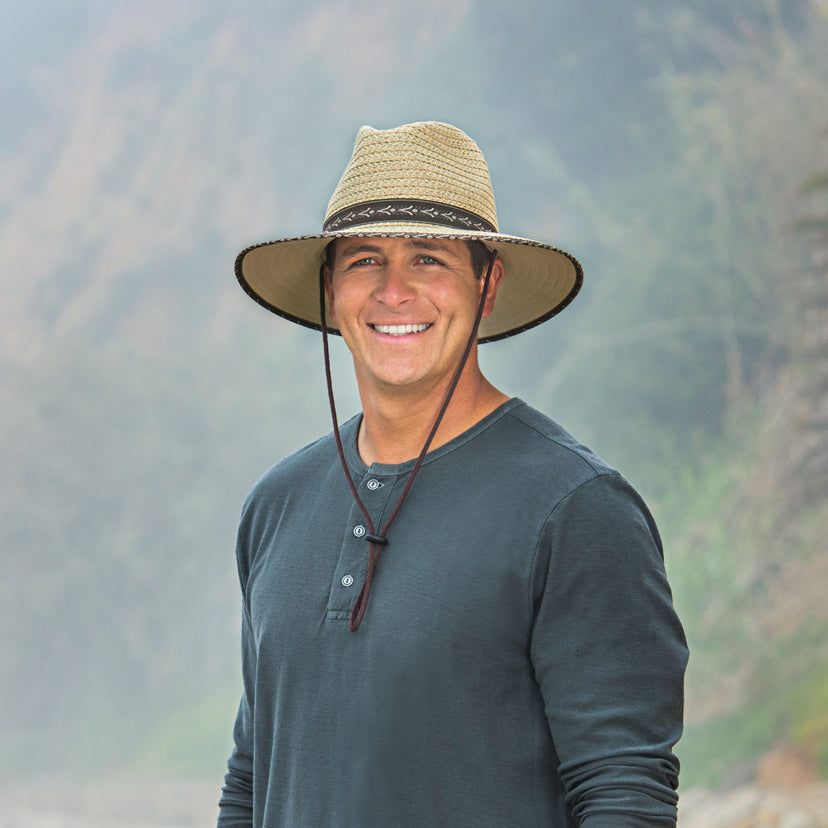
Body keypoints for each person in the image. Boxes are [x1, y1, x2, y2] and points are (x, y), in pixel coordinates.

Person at [218, 121, 688, 827]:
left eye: (429, 259)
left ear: (487, 283)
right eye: (365, 260)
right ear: (330, 289)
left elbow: (625, 794)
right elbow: (252, 779)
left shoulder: (574, 509)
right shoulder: (276, 507)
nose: (394, 292)